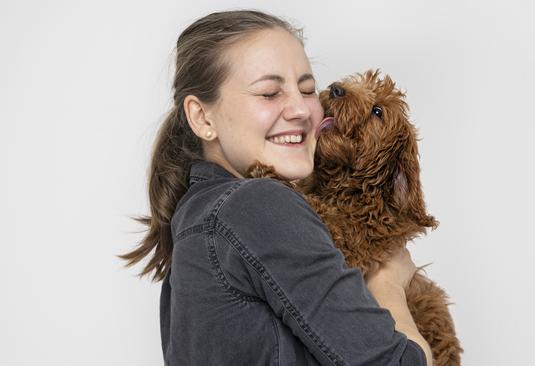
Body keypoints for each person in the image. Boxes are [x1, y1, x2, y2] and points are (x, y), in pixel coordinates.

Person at [119, 9, 434, 366]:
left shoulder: (197, 217)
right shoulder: (256, 204)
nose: (301, 109)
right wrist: (388, 283)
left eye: (308, 89)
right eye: (269, 93)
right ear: (202, 117)